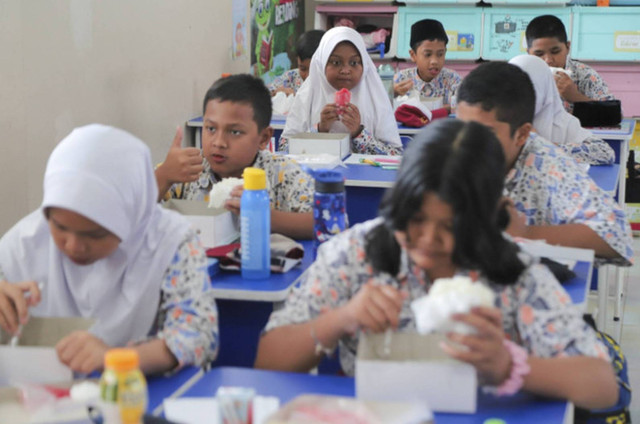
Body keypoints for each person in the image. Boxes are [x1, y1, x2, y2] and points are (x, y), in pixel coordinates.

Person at [255, 119, 619, 410]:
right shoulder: (357, 254)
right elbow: (267, 364)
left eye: (451, 226)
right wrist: (342, 318)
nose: (429, 239)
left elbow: (602, 385)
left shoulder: (510, 271)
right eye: (414, 219)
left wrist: (510, 367)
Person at [0, 124, 219, 375]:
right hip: (38, 398)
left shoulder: (170, 242)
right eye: (59, 227)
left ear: (131, 217)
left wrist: (115, 358)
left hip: (138, 396)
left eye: (94, 234)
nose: (72, 245)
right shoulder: (22, 245)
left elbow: (199, 336)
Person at [455, 61, 632, 266]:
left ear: (522, 134)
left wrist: (526, 232)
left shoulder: (545, 162)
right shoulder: (448, 149)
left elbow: (616, 236)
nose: (470, 143)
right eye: (462, 128)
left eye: (485, 133)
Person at [156, 74, 314, 239]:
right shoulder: (185, 171)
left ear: (264, 138)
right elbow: (131, 214)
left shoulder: (282, 173)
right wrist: (163, 177)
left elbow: (322, 222)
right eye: (211, 128)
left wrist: (264, 216)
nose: (219, 142)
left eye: (235, 132)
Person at [278, 26, 402, 155]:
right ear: (322, 64)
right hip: (315, 173)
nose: (345, 70)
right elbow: (284, 149)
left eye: (354, 63)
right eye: (336, 62)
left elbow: (395, 155)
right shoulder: (307, 96)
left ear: (364, 65)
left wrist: (358, 133)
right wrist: (319, 130)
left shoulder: (375, 98)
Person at [509, 55, 614, 165]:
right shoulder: (497, 119)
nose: (521, 96)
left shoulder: (561, 121)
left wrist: (544, 147)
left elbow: (605, 153)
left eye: (531, 88)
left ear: (545, 88)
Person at [525, 15, 616, 114]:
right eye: (539, 54)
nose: (548, 60)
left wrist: (575, 96)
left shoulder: (586, 75)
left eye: (555, 51)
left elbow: (615, 114)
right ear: (529, 53)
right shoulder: (522, 77)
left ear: (567, 47)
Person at [393, 19, 461, 112]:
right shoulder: (400, 80)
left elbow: (464, 107)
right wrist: (393, 94)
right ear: (413, 55)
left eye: (440, 54)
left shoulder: (453, 80)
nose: (434, 61)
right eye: (428, 54)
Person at [268, 30, 325, 96]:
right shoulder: (291, 77)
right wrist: (275, 92)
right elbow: (264, 93)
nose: (307, 76)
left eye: (314, 69)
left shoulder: (333, 85)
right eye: (303, 69)